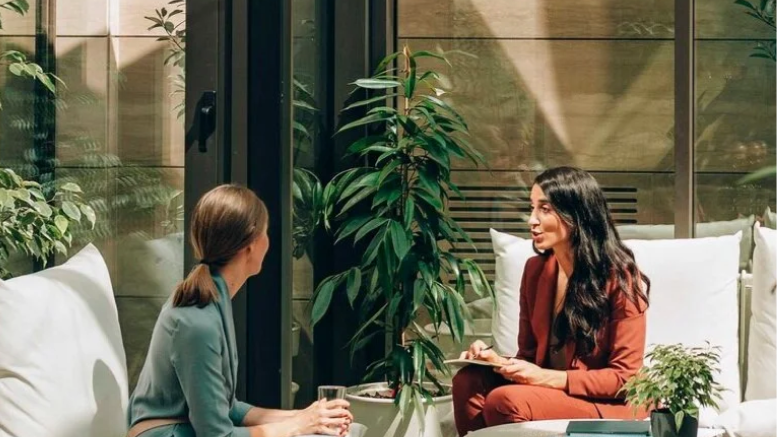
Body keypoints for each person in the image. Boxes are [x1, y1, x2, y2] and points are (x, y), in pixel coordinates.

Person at [127, 184, 353, 437]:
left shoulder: (212, 304)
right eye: (266, 233)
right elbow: (217, 434)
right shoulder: (197, 322)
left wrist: (305, 415)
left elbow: (226, 408)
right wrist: (298, 425)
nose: (269, 242)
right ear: (251, 245)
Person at [452, 167, 651, 435]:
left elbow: (626, 379)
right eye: (532, 208)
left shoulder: (619, 278)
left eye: (545, 209)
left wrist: (547, 378)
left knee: (504, 402)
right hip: (552, 394)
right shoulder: (536, 271)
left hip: (610, 403)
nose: (532, 220)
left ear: (577, 215)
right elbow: (530, 357)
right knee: (468, 381)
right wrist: (495, 361)